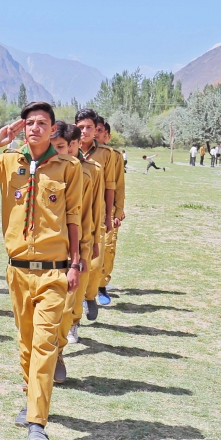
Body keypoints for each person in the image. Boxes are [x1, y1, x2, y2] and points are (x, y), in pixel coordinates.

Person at [0, 102, 81, 440]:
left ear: (53, 129)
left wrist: (76, 263)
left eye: (42, 123)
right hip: (18, 271)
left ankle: (36, 423)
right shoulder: (10, 162)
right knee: (26, 344)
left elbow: (74, 217)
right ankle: (31, 399)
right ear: (22, 128)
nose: (35, 128)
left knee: (44, 345)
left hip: (54, 272)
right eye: (29, 123)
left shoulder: (68, 167)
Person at [52, 122, 98, 380]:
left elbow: (88, 215)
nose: (56, 151)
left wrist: (84, 252)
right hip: (45, 251)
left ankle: (57, 352)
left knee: (67, 305)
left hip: (74, 251)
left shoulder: (87, 174)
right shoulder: (39, 171)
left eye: (61, 146)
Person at [74, 110, 118, 319]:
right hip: (71, 216)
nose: (84, 131)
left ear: (95, 130)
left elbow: (110, 187)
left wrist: (109, 216)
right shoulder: (66, 148)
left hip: (97, 215)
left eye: (89, 127)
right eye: (80, 127)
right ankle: (72, 315)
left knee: (94, 263)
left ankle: (90, 296)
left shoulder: (106, 155)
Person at [95, 119, 125, 305]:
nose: (95, 133)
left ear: (107, 134)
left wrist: (118, 210)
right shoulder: (75, 152)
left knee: (107, 249)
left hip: (108, 211)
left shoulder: (114, 156)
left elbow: (119, 185)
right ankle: (85, 290)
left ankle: (101, 286)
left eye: (99, 130)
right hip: (84, 212)